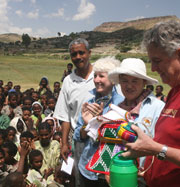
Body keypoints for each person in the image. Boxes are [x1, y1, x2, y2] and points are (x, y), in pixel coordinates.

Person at [120, 20, 180, 187]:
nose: (153, 68)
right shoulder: (174, 91)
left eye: (157, 60)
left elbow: (160, 149)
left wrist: (156, 150)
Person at [74, 56, 124, 186]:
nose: (96, 80)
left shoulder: (121, 105)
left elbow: (121, 137)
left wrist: (100, 122)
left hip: (110, 169)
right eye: (95, 76)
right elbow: (78, 136)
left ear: (113, 79)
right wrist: (87, 124)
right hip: (87, 167)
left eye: (101, 76)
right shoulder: (90, 102)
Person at [53, 38, 95, 187]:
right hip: (79, 140)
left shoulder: (100, 75)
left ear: (89, 53)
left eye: (81, 53)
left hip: (102, 138)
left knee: (101, 179)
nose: (78, 57)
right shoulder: (68, 81)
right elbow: (65, 116)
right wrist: (64, 143)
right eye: (74, 54)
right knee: (80, 179)